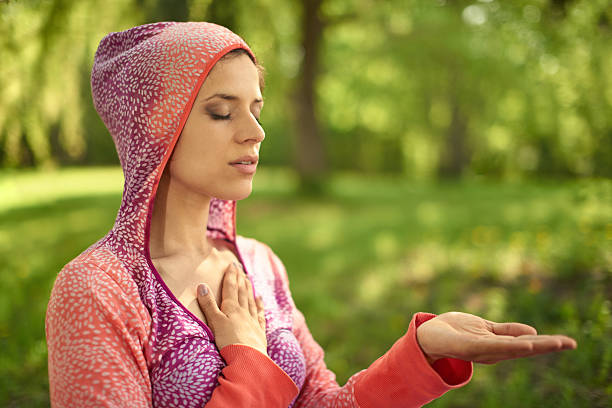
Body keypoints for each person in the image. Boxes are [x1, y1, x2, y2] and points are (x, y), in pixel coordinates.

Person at [45, 22, 576, 408]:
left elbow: (325, 402)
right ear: (153, 127)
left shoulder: (260, 265)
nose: (255, 132)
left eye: (256, 109)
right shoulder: (96, 292)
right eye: (221, 111)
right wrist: (249, 364)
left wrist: (421, 352)